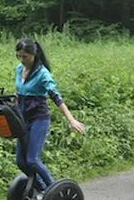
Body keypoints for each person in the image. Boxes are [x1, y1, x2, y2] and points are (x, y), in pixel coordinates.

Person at [14, 38, 86, 197]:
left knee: (32, 160)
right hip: (22, 120)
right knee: (20, 161)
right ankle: (43, 189)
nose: (21, 60)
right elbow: (20, 93)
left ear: (34, 54)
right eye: (18, 56)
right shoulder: (19, 69)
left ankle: (55, 191)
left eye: (25, 56)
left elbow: (55, 96)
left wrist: (71, 119)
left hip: (39, 119)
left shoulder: (42, 73)